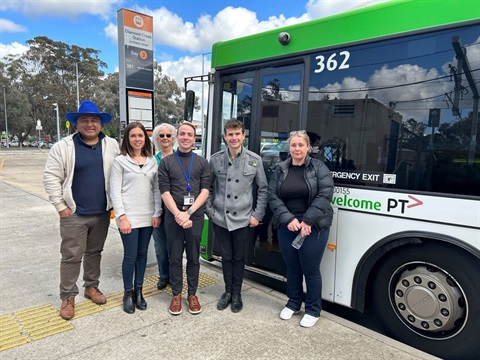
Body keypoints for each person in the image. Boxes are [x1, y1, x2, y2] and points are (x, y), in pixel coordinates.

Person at [43, 100, 119, 320]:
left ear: (100, 123)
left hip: (102, 212)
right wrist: (60, 207)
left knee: (95, 252)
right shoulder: (63, 146)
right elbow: (51, 177)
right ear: (76, 123)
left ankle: (91, 287)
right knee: (71, 256)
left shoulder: (111, 145)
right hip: (74, 213)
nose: (89, 124)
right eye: (84, 120)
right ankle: (67, 297)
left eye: (93, 120)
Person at [268, 130, 334, 328]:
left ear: (308, 147)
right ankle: (293, 303)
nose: (297, 149)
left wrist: (307, 221)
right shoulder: (281, 169)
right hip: (287, 224)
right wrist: (288, 218)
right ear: (289, 147)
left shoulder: (319, 167)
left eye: (300, 145)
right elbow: (273, 196)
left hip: (313, 225)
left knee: (310, 269)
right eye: (293, 145)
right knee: (293, 267)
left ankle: (313, 309)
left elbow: (325, 194)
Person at [206, 119, 268, 313]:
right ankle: (227, 292)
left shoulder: (254, 159)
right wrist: (210, 211)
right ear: (225, 136)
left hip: (243, 218)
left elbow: (264, 189)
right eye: (230, 134)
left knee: (239, 258)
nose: (234, 138)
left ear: (243, 136)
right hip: (220, 218)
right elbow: (207, 187)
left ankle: (237, 294)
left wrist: (257, 215)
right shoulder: (215, 159)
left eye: (237, 134)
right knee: (226, 257)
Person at [158, 121, 210, 315]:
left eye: (190, 134)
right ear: (177, 136)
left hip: (195, 217)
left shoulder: (202, 162)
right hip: (173, 217)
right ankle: (177, 294)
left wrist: (188, 213)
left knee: (194, 258)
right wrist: (178, 214)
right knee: (174, 258)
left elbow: (205, 191)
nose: (186, 137)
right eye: (182, 134)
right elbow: (164, 192)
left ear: (194, 137)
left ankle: (192, 294)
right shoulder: (167, 162)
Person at [110, 122, 162, 314]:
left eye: (141, 136)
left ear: (145, 138)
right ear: (127, 138)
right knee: (130, 256)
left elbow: (156, 189)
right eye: (133, 136)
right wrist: (122, 217)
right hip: (128, 217)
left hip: (147, 216)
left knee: (142, 255)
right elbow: (115, 191)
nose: (137, 139)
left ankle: (139, 291)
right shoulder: (120, 161)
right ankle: (128, 293)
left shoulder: (151, 161)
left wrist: (157, 213)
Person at [151, 123, 176, 290]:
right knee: (160, 248)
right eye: (162, 136)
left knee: (175, 247)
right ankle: (163, 276)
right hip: (158, 210)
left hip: (176, 211)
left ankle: (175, 277)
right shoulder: (152, 161)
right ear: (157, 139)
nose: (165, 138)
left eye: (168, 135)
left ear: (173, 138)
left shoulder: (180, 159)